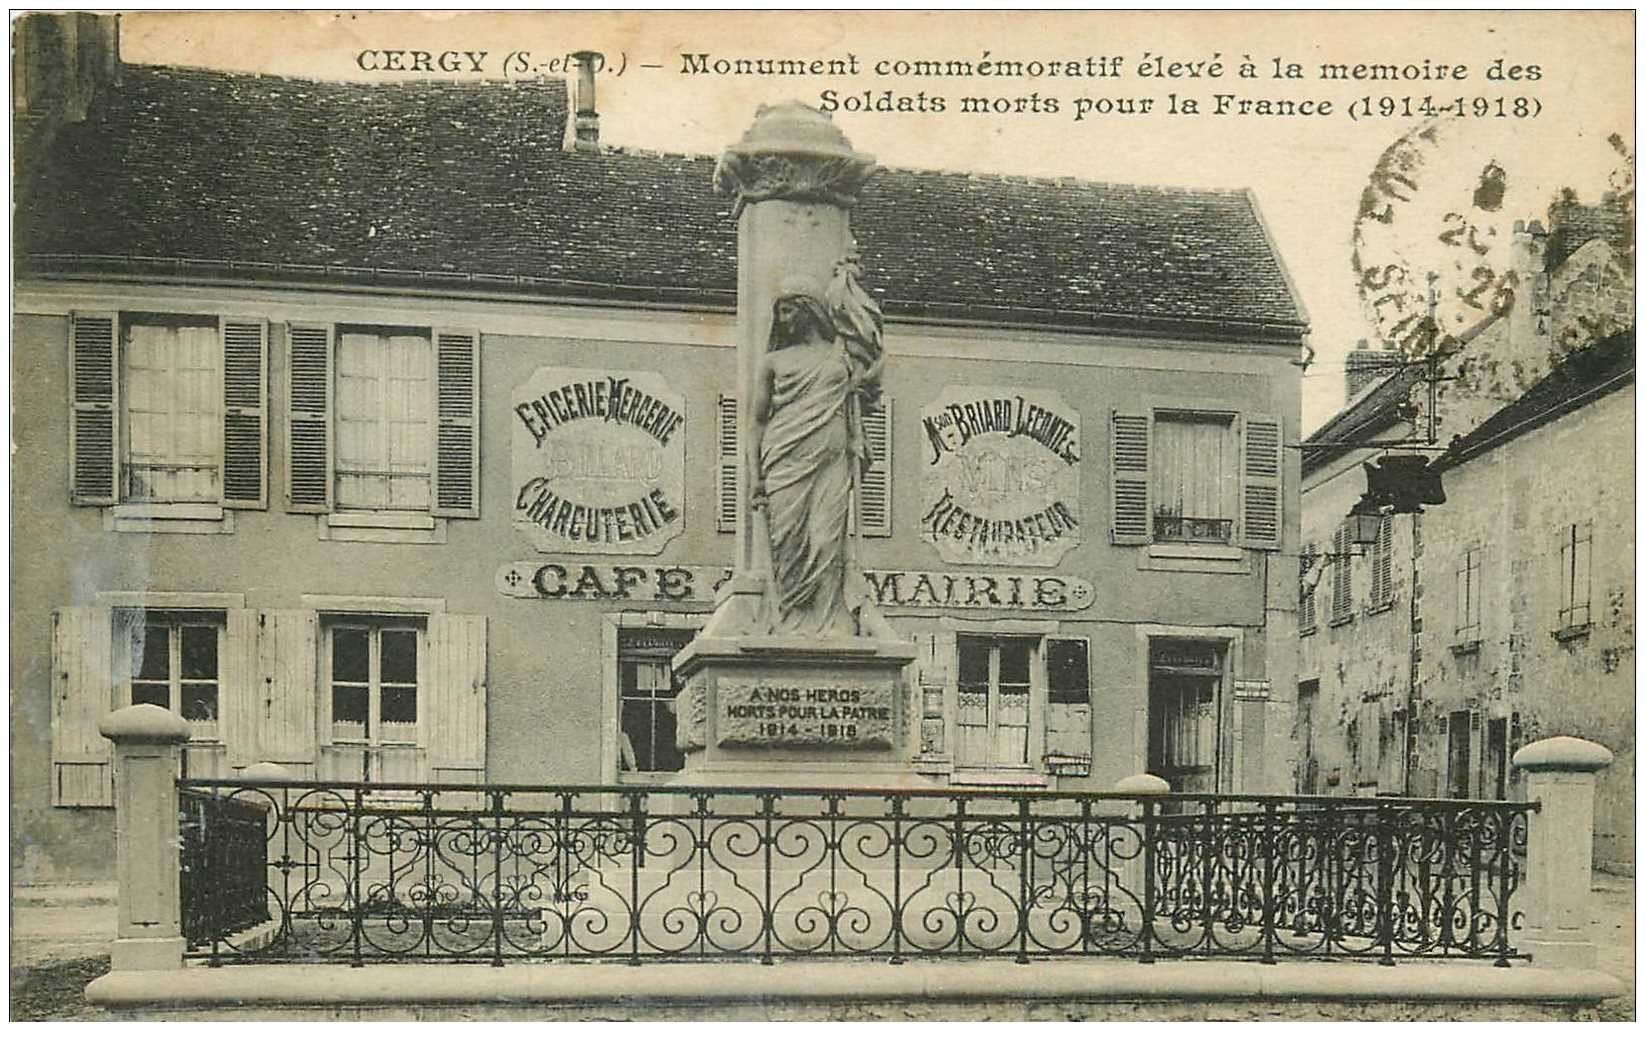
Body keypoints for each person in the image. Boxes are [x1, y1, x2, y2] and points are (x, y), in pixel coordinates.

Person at [748, 276, 888, 637]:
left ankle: (830, 624)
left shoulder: (840, 354)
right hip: (784, 458)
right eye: (779, 312)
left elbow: (868, 347)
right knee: (786, 542)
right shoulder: (773, 361)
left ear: (810, 311)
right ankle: (790, 624)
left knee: (828, 540)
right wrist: (755, 478)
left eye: (789, 310)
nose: (783, 319)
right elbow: (756, 422)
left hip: (832, 463)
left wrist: (846, 281)